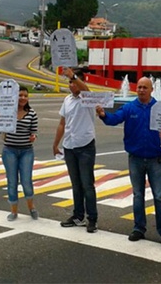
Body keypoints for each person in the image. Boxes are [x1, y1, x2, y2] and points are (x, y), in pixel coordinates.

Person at [96, 77, 161, 248]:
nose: (141, 90)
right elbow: (114, 118)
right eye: (139, 87)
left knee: (160, 196)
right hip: (136, 159)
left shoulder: (160, 108)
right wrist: (103, 115)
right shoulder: (130, 107)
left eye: (145, 87)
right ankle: (139, 228)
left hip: (155, 160)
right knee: (138, 195)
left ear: (151, 89)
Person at [53, 68, 98, 233]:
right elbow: (62, 123)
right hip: (69, 146)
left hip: (85, 146)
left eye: (74, 81)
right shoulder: (67, 100)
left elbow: (85, 89)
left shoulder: (88, 98)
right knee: (76, 184)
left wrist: (74, 75)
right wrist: (56, 143)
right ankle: (78, 215)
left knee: (87, 184)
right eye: (70, 82)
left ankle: (92, 218)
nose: (71, 85)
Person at [0, 85, 39, 221]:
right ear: (14, 97)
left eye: (25, 95)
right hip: (9, 150)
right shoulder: (5, 111)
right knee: (12, 181)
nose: (23, 98)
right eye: (20, 95)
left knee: (26, 181)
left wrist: (33, 137)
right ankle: (13, 211)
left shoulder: (32, 113)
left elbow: (34, 132)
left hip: (26, 151)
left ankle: (31, 207)